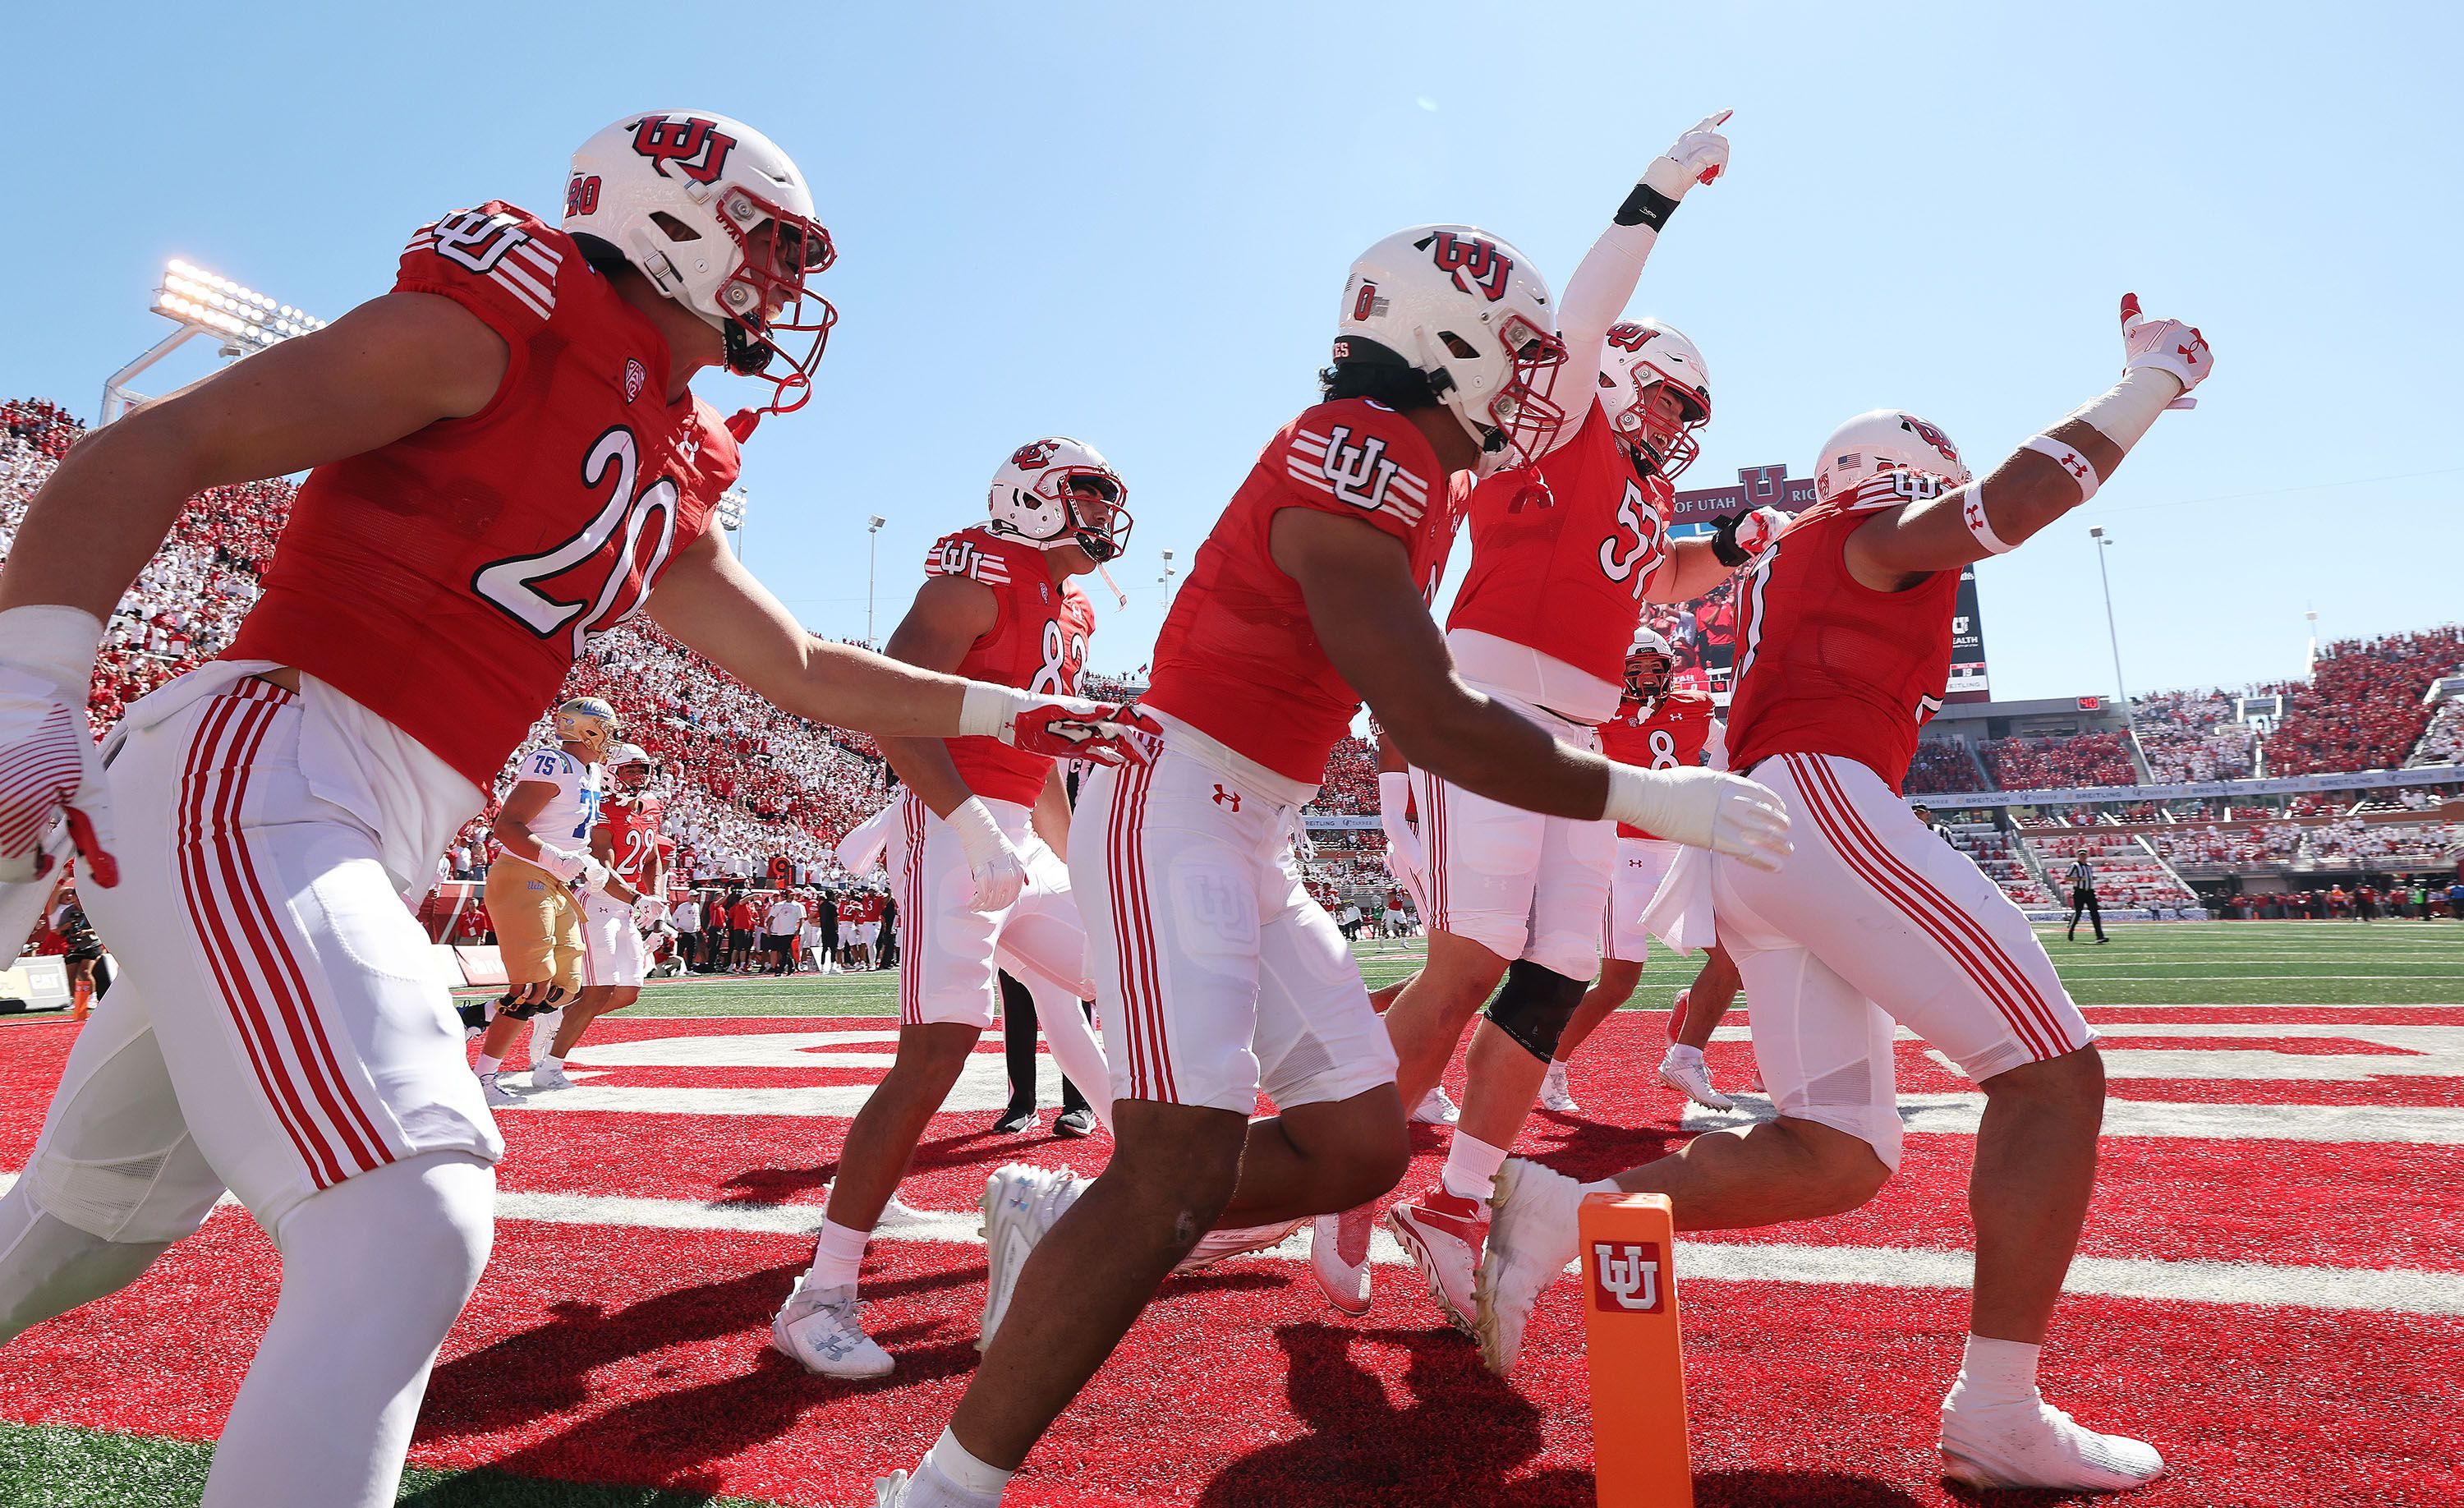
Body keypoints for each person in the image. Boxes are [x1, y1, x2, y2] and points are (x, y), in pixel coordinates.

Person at [0, 108, 1135, 1508]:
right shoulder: (504, 319)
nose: (789, 287)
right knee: (406, 1216)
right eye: (775, 248)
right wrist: (27, 694)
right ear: (674, 220)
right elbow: (155, 444)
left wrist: (1012, 710)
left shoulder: (663, 448)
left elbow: (800, 669)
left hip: (328, 809)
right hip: (266, 764)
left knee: (85, 1229)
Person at [873, 214, 1789, 1506]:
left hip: (1248, 820)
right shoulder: (1361, 446)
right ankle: (942, 1488)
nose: (1539, 384)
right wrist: (1648, 791)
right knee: (1179, 1165)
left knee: (1360, 1145)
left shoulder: (1420, 458)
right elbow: (1425, 710)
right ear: (1446, 342)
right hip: (1179, 798)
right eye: (1520, 354)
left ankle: (1063, 1220)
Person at [1479, 294, 2213, 1493]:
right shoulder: (1872, 526)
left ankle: (1567, 1208)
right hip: (1818, 803)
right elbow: (2012, 509)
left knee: (1838, 1152)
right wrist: (2148, 385)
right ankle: (1998, 1411)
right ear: (1905, 473)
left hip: (1769, 830)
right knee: (2052, 1078)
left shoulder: (1804, 555)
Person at [1375, 117, 1791, 1329]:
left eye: (1690, 417)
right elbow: (1588, 313)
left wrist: (1724, 551)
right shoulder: (1556, 412)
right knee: (1465, 966)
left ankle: (1452, 1204)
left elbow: (1646, 585)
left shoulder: (1643, 482)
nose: (1676, 428)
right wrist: (1662, 187)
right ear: (1624, 372)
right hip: (1493, 703)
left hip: (1581, 735)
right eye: (1670, 400)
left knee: (1554, 975)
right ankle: (1327, 1177)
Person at [772, 441, 1124, 1378]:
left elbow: (1041, 756)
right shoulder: (975, 577)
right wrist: (971, 825)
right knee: (939, 1043)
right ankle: (821, 1296)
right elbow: (889, 706)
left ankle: (1156, 1190)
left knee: (1123, 975)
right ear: (1032, 498)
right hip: (947, 820)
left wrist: (1069, 863)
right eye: (1087, 495)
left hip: (1015, 830)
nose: (1101, 517)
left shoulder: (1071, 607)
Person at [1535, 633, 1737, 1116]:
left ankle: (1685, 1057)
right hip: (1623, 855)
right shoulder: (1596, 716)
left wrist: (1711, 793)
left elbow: (1730, 751)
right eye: (1637, 668)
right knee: (1618, 981)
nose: (1647, 678)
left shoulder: (1696, 708)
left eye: (1655, 667)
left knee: (1732, 957)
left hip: (1683, 850)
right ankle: (1551, 1065)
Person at [470, 699, 641, 1103]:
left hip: (558, 880)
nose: (612, 738)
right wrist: (556, 857)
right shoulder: (553, 762)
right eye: (607, 728)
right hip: (525, 875)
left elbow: (577, 841)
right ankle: (483, 1078)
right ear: (588, 730)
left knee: (564, 987)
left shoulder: (592, 772)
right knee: (532, 984)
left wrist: (627, 892)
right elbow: (506, 826)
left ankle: (475, 1017)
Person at [2066, 853, 2107, 942]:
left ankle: (2100, 936)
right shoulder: (2075, 865)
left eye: (2084, 855)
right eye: (2081, 855)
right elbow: (2067, 878)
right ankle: (2071, 931)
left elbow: (2089, 877)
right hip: (2079, 892)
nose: (2083, 857)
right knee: (2078, 913)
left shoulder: (2089, 866)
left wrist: (2092, 878)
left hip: (2090, 892)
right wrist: (2079, 879)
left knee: (2095, 914)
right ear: (2078, 856)